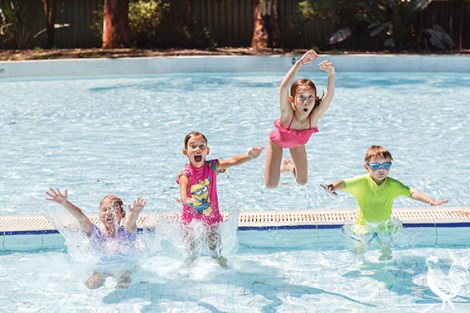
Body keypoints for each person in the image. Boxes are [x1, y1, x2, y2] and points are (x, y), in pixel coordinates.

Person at [321, 145, 449, 260]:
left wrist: (430, 201)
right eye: (376, 166)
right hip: (363, 226)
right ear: (367, 167)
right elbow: (344, 182)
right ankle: (361, 267)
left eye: (386, 165)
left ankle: (385, 266)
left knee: (387, 250)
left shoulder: (392, 185)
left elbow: (411, 192)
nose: (381, 169)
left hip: (385, 226)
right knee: (360, 250)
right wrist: (331, 186)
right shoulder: (361, 183)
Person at [177, 131, 263, 268]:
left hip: (211, 218)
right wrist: (183, 197)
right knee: (190, 252)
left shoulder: (212, 167)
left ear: (207, 151)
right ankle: (185, 273)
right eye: (192, 146)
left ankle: (224, 267)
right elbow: (183, 183)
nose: (197, 149)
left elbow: (233, 161)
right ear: (185, 152)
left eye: (201, 146)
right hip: (190, 220)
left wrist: (249, 156)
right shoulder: (185, 172)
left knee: (214, 250)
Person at [45, 187, 146, 289]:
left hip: (125, 268)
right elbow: (82, 218)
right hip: (101, 268)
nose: (108, 212)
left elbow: (131, 223)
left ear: (122, 214)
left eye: (113, 209)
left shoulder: (126, 233)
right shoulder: (96, 235)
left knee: (124, 282)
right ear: (100, 215)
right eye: (104, 210)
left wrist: (135, 213)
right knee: (92, 284)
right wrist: (65, 203)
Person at [265, 49, 335, 188]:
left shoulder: (313, 118)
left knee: (302, 181)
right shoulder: (287, 115)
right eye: (301, 97)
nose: (306, 101)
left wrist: (331, 74)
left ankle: (288, 166)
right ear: (292, 100)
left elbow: (329, 97)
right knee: (271, 185)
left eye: (310, 97)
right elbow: (283, 87)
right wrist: (300, 62)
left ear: (315, 100)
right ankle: (280, 165)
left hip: (297, 144)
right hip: (277, 143)